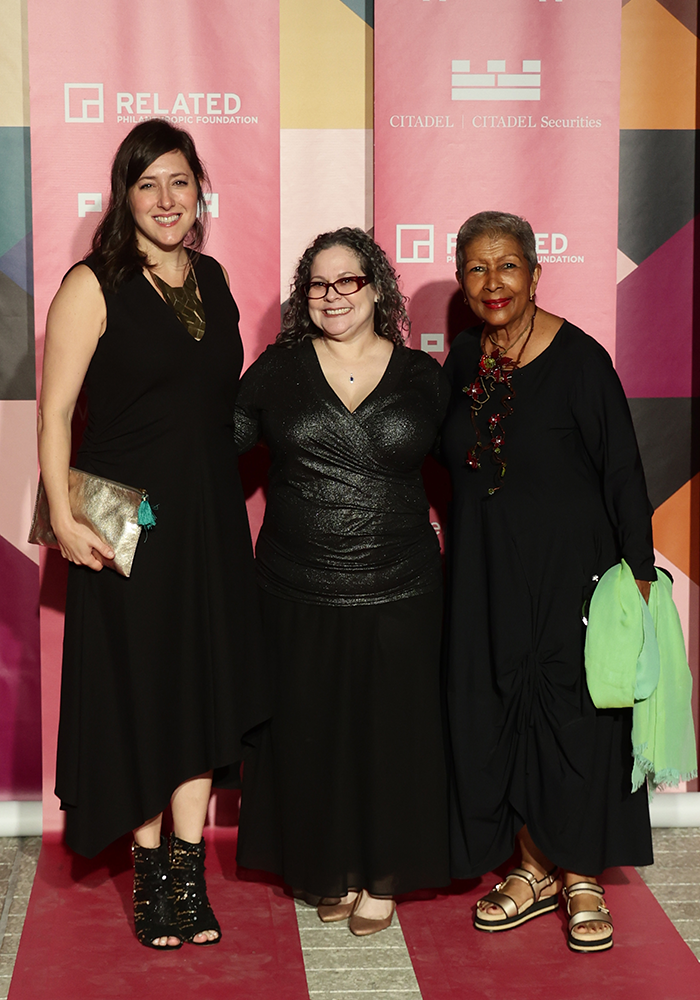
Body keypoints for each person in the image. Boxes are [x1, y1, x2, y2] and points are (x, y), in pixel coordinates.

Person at [38, 120, 267, 949]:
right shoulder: (92, 284)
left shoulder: (213, 277)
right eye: (148, 185)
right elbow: (57, 411)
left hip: (206, 523)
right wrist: (64, 518)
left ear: (199, 190)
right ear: (124, 196)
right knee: (141, 697)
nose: (167, 201)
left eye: (179, 183)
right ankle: (148, 884)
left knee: (200, 694)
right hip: (123, 521)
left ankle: (186, 875)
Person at [441, 211, 655, 953]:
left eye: (507, 266)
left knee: (575, 720)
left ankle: (583, 874)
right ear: (463, 280)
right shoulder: (464, 360)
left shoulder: (582, 360)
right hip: (486, 574)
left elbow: (624, 471)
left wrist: (637, 574)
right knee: (504, 709)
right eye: (476, 268)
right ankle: (532, 869)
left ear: (535, 274)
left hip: (574, 575)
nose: (492, 282)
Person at [234, 227, 450, 935]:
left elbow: (476, 466)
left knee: (392, 734)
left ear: (377, 287)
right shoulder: (275, 370)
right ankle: (331, 866)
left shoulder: (423, 376)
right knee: (312, 734)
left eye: (346, 281)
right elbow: (210, 447)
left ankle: (382, 873)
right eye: (317, 285)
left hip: (402, 585)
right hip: (298, 585)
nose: (331, 297)